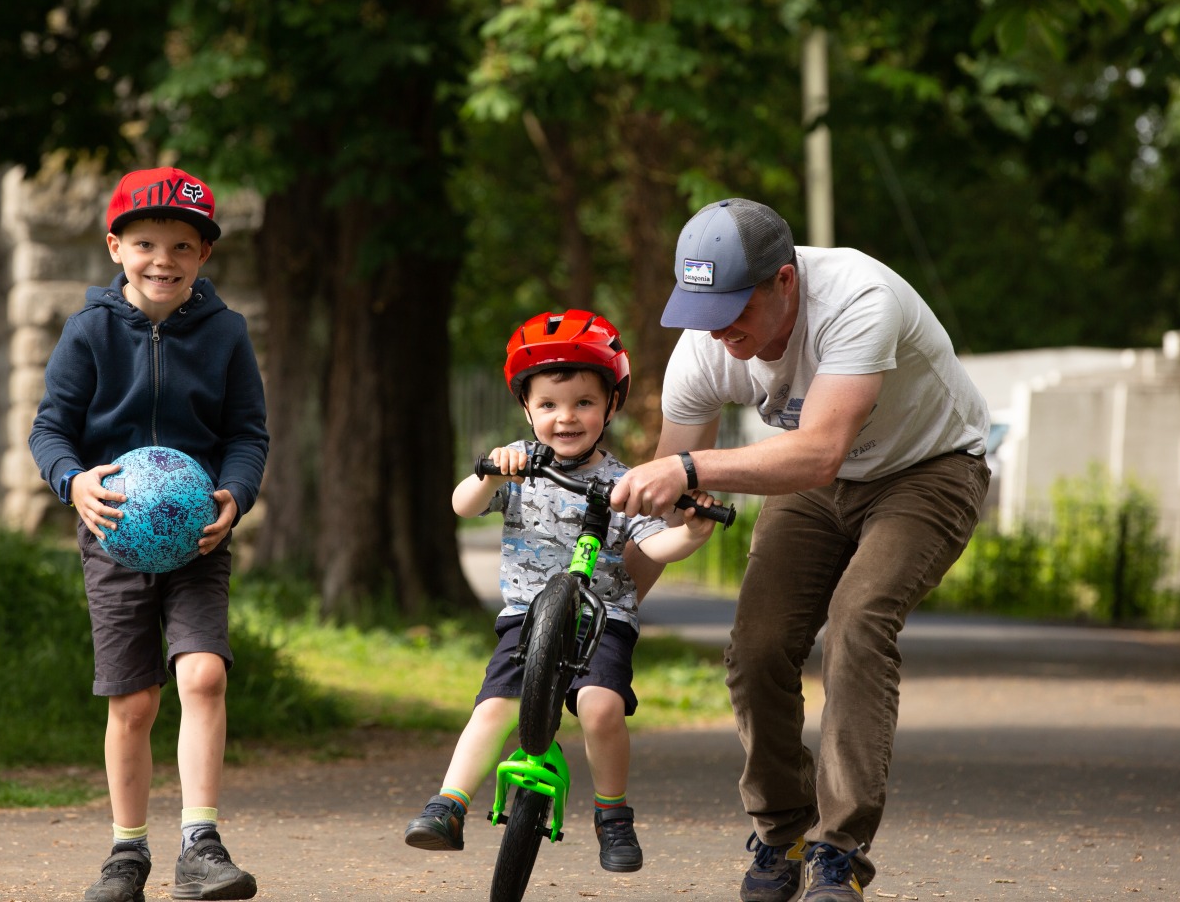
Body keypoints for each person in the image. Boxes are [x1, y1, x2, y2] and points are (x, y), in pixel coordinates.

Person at [610, 199, 991, 902]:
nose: (719, 330)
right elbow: (666, 504)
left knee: (859, 618)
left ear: (784, 282)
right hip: (818, 484)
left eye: (734, 308)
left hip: (928, 469)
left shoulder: (858, 298)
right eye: (703, 309)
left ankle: (838, 851)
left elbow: (816, 453)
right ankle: (783, 830)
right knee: (757, 643)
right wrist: (609, 619)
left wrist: (690, 470)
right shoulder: (705, 343)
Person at [402, 309, 719, 873]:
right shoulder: (520, 467)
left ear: (611, 406)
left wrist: (689, 534)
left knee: (601, 709)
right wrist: (492, 474)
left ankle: (612, 814)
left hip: (604, 619)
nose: (565, 418)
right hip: (528, 615)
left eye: (583, 403)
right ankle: (447, 805)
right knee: (497, 704)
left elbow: (651, 549)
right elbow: (461, 505)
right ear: (527, 408)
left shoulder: (627, 484)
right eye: (548, 405)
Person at [29, 166, 270, 902]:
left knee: (203, 673)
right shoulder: (89, 330)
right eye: (145, 243)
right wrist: (74, 481)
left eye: (181, 245)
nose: (162, 259)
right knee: (133, 701)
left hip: (198, 538)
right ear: (115, 247)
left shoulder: (226, 333)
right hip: (114, 538)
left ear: (204, 255)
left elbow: (246, 433)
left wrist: (237, 493)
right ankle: (126, 854)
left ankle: (201, 845)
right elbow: (50, 431)